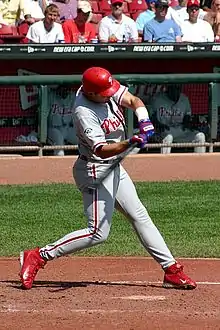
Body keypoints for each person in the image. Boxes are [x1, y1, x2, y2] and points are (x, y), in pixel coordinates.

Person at [19, 67, 197, 291]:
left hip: (113, 167)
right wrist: (130, 142)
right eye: (105, 93)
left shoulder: (103, 87)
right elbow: (101, 150)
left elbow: (133, 100)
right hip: (94, 169)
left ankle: (172, 270)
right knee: (97, 233)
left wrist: (144, 120)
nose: (110, 94)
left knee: (139, 215)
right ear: (91, 93)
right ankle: (38, 256)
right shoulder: (83, 111)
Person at [149, 83, 206, 154]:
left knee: (200, 136)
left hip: (180, 130)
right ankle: (164, 162)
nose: (176, 91)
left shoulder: (184, 99)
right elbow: (151, 117)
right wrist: (158, 125)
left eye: (178, 89)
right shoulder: (157, 99)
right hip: (162, 131)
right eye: (173, 88)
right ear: (168, 89)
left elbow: (187, 116)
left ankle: (199, 162)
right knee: (168, 137)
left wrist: (188, 124)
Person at [47, 85, 77, 156]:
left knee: (83, 140)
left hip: (68, 128)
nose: (66, 91)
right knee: (59, 144)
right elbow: (44, 115)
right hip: (53, 128)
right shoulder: (50, 96)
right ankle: (58, 165)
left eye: (67, 90)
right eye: (63, 89)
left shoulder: (73, 97)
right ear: (58, 89)